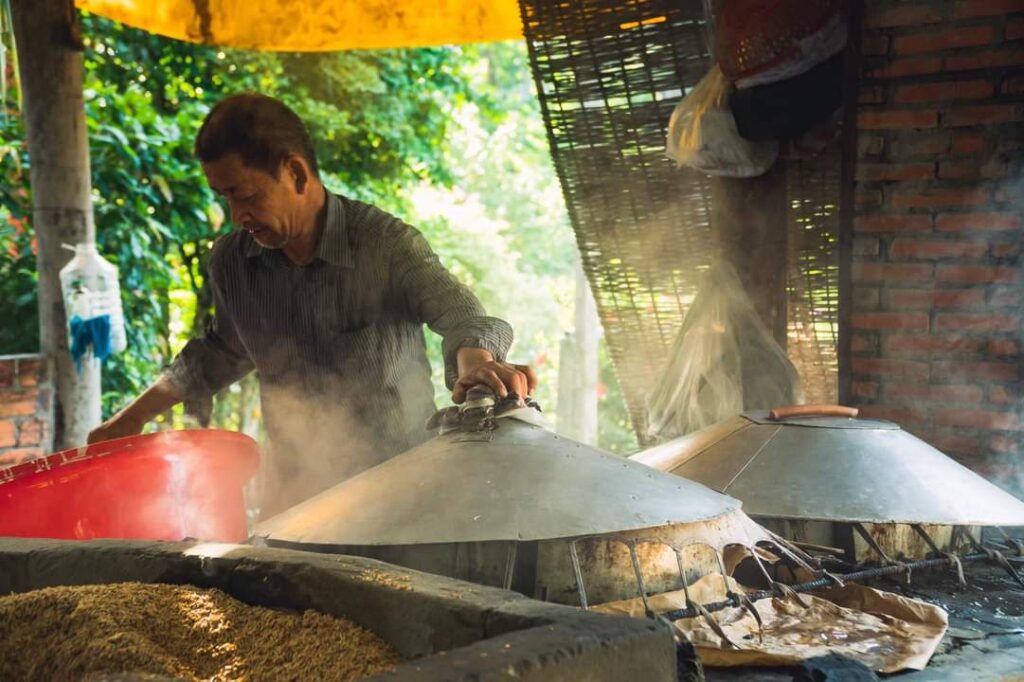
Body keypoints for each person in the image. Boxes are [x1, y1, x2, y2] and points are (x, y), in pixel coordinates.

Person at [88, 93, 537, 517]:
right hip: (294, 499)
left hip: (399, 494)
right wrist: (129, 421)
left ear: (297, 174)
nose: (237, 215)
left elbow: (464, 317)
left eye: (246, 195)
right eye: (224, 197)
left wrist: (477, 364)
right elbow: (218, 353)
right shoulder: (233, 263)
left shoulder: (384, 244)